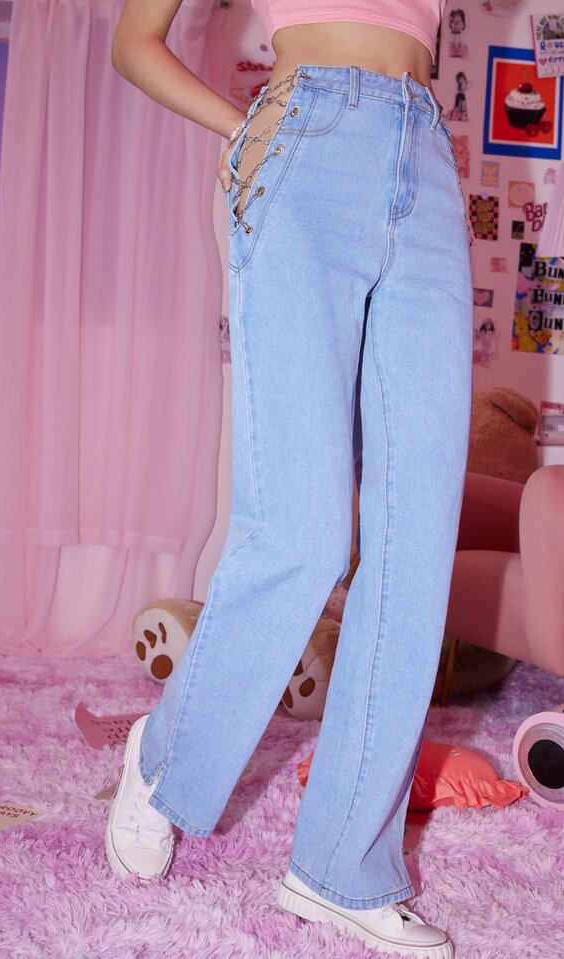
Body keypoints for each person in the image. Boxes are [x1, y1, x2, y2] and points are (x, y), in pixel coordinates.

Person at [107, 2, 470, 956]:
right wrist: (240, 129)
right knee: (303, 531)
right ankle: (166, 755)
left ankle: (343, 867)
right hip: (307, 142)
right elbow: (133, 43)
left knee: (416, 544)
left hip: (426, 159)